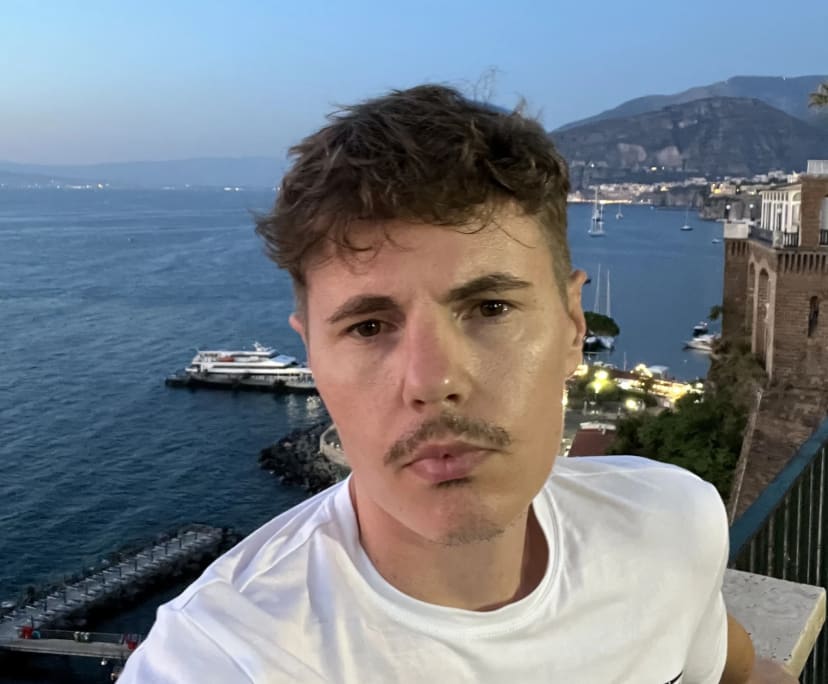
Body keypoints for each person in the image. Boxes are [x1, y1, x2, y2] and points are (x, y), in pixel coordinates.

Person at [119, 85, 795, 683]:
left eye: (490, 309)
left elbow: (736, 673)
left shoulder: (671, 522)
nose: (432, 381)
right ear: (313, 358)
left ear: (571, 327)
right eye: (368, 327)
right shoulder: (222, 657)